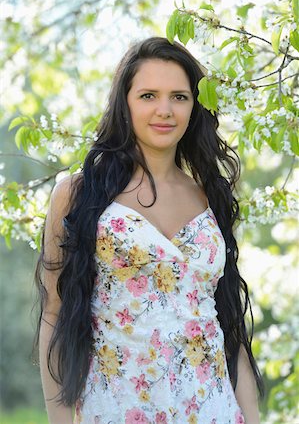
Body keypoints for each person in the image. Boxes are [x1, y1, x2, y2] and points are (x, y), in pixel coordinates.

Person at [36, 36, 263, 424]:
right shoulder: (77, 195)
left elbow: (229, 327)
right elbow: (54, 316)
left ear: (195, 106)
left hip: (214, 410)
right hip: (117, 410)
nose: (165, 110)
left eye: (179, 96)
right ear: (124, 102)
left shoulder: (212, 197)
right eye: (148, 96)